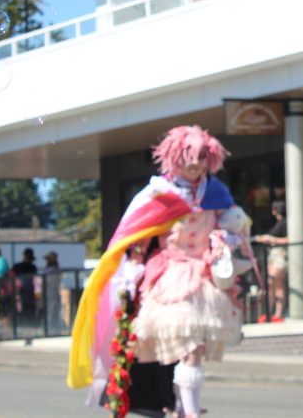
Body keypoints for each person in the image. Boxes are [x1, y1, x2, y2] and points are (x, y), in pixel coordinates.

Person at [66, 125, 246, 418]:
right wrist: (129, 277)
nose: (194, 163)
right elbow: (135, 240)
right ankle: (187, 411)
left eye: (201, 157)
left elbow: (234, 226)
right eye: (188, 156)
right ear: (175, 157)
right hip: (169, 278)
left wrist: (227, 238)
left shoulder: (215, 192)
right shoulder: (160, 193)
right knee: (186, 348)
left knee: (194, 348)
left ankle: (184, 409)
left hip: (204, 279)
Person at [254, 201, 288, 322]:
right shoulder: (279, 223)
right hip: (273, 255)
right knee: (277, 284)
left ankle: (271, 313)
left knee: (271, 281)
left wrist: (271, 239)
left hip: (281, 255)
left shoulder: (286, 223)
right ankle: (274, 314)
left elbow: (291, 239)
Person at [12, 247, 38, 327]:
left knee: (29, 310)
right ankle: (22, 326)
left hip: (29, 293)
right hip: (21, 293)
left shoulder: (32, 267)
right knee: (21, 310)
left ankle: (30, 326)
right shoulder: (17, 267)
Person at [41, 251, 63, 334]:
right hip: (48, 292)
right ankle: (49, 329)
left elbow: (50, 282)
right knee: (49, 311)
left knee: (52, 311)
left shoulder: (54, 269)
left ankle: (51, 330)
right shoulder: (49, 269)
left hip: (52, 291)